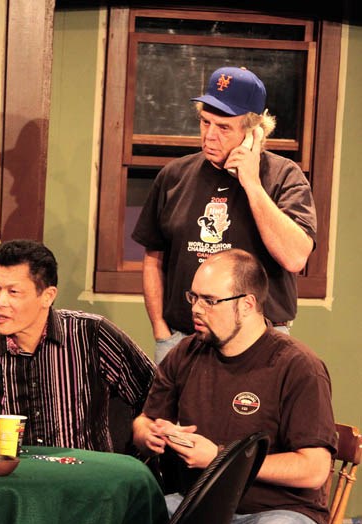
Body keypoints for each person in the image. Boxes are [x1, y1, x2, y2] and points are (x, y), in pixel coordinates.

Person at [133, 249, 336, 524]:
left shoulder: (297, 366)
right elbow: (145, 423)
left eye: (210, 300)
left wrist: (218, 458)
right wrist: (147, 433)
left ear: (247, 304)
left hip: (283, 512)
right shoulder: (186, 353)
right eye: (193, 296)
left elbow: (314, 469)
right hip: (200, 505)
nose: (195, 308)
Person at [132, 66, 317, 363]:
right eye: (206, 123)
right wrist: (161, 332)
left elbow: (295, 257)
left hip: (261, 345)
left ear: (255, 131)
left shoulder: (284, 176)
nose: (210, 136)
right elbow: (154, 258)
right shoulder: (174, 175)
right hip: (183, 341)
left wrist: (252, 184)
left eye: (224, 128)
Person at [0, 239, 155, 452]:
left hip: (84, 478)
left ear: (47, 296)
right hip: (13, 480)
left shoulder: (91, 334)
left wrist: (138, 444)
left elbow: (154, 390)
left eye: (13, 292)